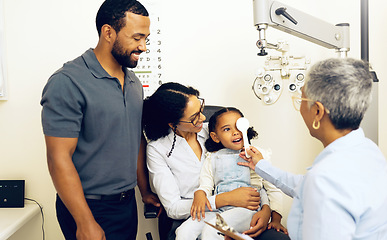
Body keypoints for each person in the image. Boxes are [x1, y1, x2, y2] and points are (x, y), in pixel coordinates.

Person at [40, 1, 159, 239]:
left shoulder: (134, 83)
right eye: (137, 38)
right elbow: (58, 159)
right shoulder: (68, 82)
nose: (143, 47)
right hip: (88, 208)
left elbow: (134, 139)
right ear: (108, 32)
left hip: (126, 207)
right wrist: (84, 222)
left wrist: (144, 191)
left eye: (146, 38)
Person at [239, 58, 387, 240]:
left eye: (301, 98)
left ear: (317, 111)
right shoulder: (368, 151)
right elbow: (304, 185)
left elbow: (320, 185)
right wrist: (261, 165)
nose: (300, 106)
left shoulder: (325, 179)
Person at [142, 82, 262, 240]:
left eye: (200, 109)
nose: (203, 118)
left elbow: (253, 172)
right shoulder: (157, 150)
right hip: (192, 217)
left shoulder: (216, 131)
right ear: (173, 124)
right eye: (194, 118)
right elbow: (173, 208)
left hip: (237, 210)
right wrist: (223, 199)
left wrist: (267, 211)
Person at [175, 107, 289, 240]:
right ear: (215, 137)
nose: (235, 133)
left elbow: (272, 188)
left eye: (238, 127)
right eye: (227, 129)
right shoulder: (212, 158)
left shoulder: (257, 155)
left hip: (247, 211)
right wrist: (200, 193)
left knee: (211, 231)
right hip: (219, 209)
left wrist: (276, 219)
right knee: (183, 231)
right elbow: (205, 185)